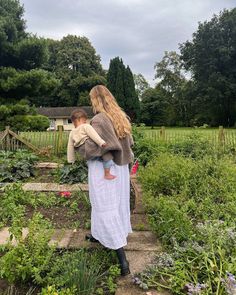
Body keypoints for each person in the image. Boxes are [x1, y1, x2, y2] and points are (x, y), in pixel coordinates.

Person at [81, 85, 134, 276]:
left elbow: (94, 148)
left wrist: (80, 143)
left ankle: (122, 260)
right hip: (120, 170)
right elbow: (129, 145)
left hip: (104, 171)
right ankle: (98, 235)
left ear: (95, 100)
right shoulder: (119, 117)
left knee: (105, 206)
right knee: (114, 205)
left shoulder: (99, 119)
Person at [67, 109, 116, 180]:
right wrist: (101, 142)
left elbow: (70, 146)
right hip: (90, 148)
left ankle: (100, 161)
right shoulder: (85, 126)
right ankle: (107, 174)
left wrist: (71, 160)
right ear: (80, 119)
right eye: (84, 120)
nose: (86, 122)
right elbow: (93, 135)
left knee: (98, 158)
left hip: (83, 152)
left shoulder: (72, 132)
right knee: (107, 156)